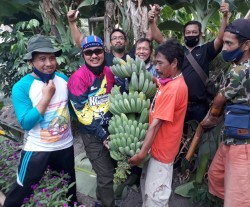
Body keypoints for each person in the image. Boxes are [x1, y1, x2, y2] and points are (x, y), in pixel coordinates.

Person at [200, 19, 250, 207]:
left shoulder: (239, 71)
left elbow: (219, 99)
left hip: (245, 145)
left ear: (246, 45)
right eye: (224, 42)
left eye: (230, 43)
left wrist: (213, 116)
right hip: (235, 138)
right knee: (216, 175)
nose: (225, 48)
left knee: (238, 201)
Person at [4, 35, 77, 207]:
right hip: (36, 150)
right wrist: (46, 98)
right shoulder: (22, 87)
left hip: (65, 146)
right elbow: (26, 123)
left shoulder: (63, 79)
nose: (49, 63)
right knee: (21, 191)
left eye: (52, 58)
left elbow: (72, 110)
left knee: (68, 190)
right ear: (31, 61)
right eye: (42, 59)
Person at [148, 2, 229, 126]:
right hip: (180, 104)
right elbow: (159, 38)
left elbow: (221, 38)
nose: (191, 35)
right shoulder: (177, 51)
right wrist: (152, 21)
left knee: (199, 138)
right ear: (184, 35)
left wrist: (224, 17)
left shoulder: (205, 50)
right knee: (179, 137)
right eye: (188, 33)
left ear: (200, 34)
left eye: (194, 32)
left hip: (200, 106)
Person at [129, 39, 188, 206]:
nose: (156, 67)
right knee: (149, 189)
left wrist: (141, 154)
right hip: (157, 149)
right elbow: (162, 88)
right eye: (155, 63)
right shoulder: (169, 82)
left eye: (160, 63)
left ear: (174, 62)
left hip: (162, 152)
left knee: (156, 196)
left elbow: (155, 125)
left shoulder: (174, 90)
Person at [67, 35, 116, 207]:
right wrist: (103, 135)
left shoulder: (110, 73)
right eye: (89, 52)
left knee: (109, 169)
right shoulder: (78, 78)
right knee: (105, 174)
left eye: (97, 51)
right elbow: (82, 112)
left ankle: (100, 202)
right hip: (91, 132)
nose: (94, 56)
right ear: (83, 54)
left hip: (111, 128)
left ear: (104, 52)